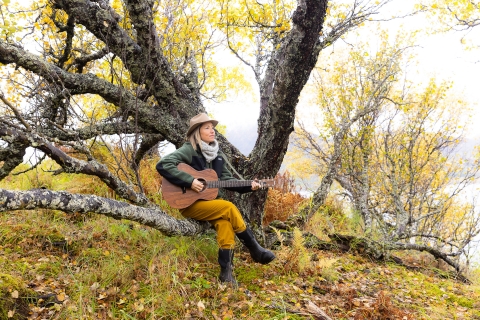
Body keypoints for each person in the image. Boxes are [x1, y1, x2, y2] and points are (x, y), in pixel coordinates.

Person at [156, 113, 275, 285]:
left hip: (211, 204)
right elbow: (163, 164)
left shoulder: (217, 156)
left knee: (226, 224)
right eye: (207, 128)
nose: (212, 131)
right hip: (190, 204)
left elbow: (227, 181)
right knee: (228, 207)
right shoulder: (189, 150)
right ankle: (254, 248)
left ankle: (226, 273)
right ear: (197, 132)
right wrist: (190, 181)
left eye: (212, 128)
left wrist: (251, 185)